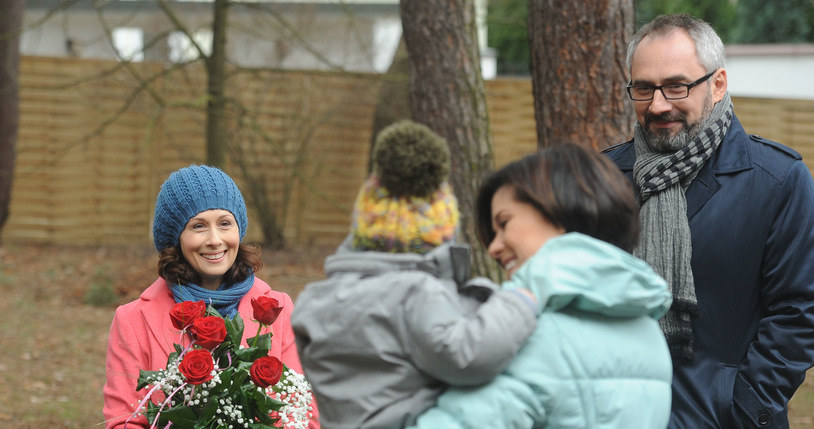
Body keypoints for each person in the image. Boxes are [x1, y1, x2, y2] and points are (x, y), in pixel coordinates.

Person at [603, 13, 814, 428]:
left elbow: (798, 312)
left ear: (717, 84)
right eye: (643, 89)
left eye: (676, 86)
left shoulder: (777, 180)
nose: (658, 104)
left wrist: (742, 408)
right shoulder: (605, 178)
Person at [290, 120, 539, 428]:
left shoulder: (316, 299)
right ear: (441, 233)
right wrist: (516, 302)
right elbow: (469, 355)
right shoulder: (417, 293)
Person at [411, 143, 674, 429]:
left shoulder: (534, 332)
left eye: (504, 223)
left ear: (560, 210)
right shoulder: (648, 330)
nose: (494, 248)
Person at [102, 165, 318, 428]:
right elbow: (124, 421)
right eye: (199, 226)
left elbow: (303, 413)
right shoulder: (132, 320)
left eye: (225, 224)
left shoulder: (279, 309)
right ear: (176, 238)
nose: (215, 240)